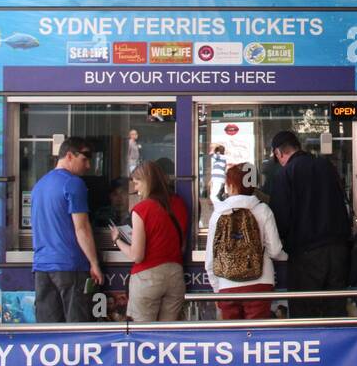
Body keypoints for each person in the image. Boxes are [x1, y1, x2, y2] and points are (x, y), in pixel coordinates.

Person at [268, 130, 352, 318]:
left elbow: (280, 219)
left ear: (279, 153)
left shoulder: (286, 173)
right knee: (336, 309)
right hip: (338, 252)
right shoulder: (326, 166)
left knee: (305, 313)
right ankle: (337, 346)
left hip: (306, 256)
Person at [31, 137, 103, 323]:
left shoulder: (39, 186)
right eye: (85, 159)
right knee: (76, 328)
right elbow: (82, 228)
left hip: (42, 266)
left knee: (48, 332)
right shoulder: (73, 183)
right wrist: (94, 263)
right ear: (69, 155)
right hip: (70, 265)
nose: (88, 165)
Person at [109, 161, 189, 322]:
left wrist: (117, 239)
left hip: (148, 277)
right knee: (167, 336)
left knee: (142, 335)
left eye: (137, 183)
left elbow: (136, 256)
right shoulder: (180, 204)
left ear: (148, 181)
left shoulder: (141, 209)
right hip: (175, 275)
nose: (135, 188)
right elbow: (182, 246)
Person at [205, 162, 287, 320]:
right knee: (257, 335)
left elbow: (210, 259)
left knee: (233, 337)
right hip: (260, 282)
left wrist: (217, 288)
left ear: (230, 185)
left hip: (226, 284)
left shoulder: (218, 213)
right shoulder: (263, 209)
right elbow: (276, 251)